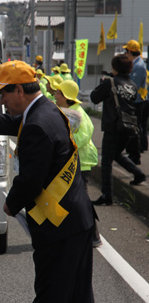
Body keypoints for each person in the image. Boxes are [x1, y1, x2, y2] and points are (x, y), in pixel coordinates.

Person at [0, 60, 95, 302]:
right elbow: (11, 123)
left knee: (52, 293)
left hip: (60, 225)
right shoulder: (45, 110)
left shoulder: (36, 124)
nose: (2, 100)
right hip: (76, 218)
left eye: (3, 93)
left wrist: (11, 204)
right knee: (78, 294)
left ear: (19, 90)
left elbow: (30, 180)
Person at [90, 54, 146, 206]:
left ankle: (106, 195)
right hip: (128, 127)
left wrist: (103, 83)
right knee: (117, 154)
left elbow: (94, 97)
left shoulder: (110, 83)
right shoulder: (133, 85)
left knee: (106, 161)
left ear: (114, 67)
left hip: (113, 126)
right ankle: (138, 173)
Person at [55, 80, 102, 247]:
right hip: (74, 161)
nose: (55, 95)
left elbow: (83, 137)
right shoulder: (67, 110)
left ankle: (94, 236)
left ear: (66, 97)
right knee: (75, 199)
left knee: (81, 199)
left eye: (58, 93)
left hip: (82, 161)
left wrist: (64, 143)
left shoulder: (78, 113)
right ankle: (79, 234)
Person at [124, 40, 148, 165]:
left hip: (138, 100)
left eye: (126, 51)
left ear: (129, 51)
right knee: (139, 125)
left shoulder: (138, 66)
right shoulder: (138, 63)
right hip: (140, 99)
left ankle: (137, 151)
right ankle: (139, 149)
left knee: (136, 126)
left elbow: (133, 85)